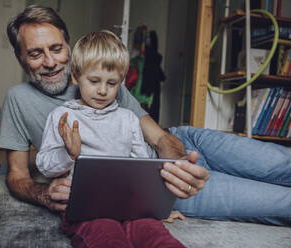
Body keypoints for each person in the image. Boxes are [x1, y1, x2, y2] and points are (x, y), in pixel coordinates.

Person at [0, 4, 291, 227]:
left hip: (183, 147)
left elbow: (159, 137)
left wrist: (177, 163)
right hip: (162, 185)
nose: (51, 62)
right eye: (36, 53)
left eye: (57, 49)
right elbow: (17, 175)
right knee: (282, 203)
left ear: (69, 49)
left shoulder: (102, 79)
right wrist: (44, 194)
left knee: (284, 162)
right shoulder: (18, 99)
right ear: (20, 58)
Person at [35, 30, 184, 247]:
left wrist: (153, 208)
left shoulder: (128, 118)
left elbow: (142, 169)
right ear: (76, 76)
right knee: (107, 235)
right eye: (94, 81)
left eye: (112, 83)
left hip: (128, 204)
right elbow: (44, 166)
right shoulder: (62, 117)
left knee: (155, 234)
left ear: (121, 82)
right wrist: (69, 154)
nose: (103, 90)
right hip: (86, 209)